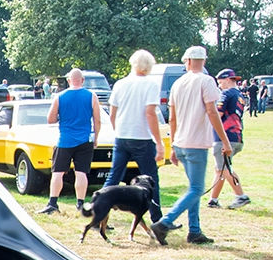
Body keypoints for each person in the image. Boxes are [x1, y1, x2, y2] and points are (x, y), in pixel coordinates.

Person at [152, 46, 229, 245]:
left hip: (181, 142)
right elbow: (212, 112)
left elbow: (173, 118)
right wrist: (224, 141)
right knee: (196, 188)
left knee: (193, 187)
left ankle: (194, 230)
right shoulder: (206, 81)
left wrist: (174, 144)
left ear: (187, 61)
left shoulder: (178, 83)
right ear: (203, 61)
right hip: (197, 143)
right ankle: (165, 222)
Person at [103, 49, 164, 225]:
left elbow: (112, 113)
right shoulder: (151, 85)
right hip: (142, 137)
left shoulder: (120, 84)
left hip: (122, 136)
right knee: (151, 179)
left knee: (114, 176)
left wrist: (118, 130)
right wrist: (159, 142)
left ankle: (99, 211)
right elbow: (150, 114)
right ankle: (157, 219)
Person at [39, 68, 101, 216]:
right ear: (83, 80)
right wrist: (96, 137)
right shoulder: (91, 96)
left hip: (65, 140)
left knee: (58, 173)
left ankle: (52, 203)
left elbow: (50, 119)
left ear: (68, 81)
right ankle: (80, 204)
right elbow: (97, 120)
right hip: (85, 140)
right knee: (81, 173)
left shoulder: (59, 96)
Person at [206, 69, 249, 209]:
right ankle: (213, 199)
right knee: (220, 169)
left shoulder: (226, 94)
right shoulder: (240, 95)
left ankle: (241, 196)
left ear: (229, 79)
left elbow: (217, 113)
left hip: (224, 137)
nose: (219, 85)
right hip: (236, 136)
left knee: (225, 169)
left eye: (221, 81)